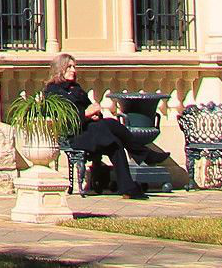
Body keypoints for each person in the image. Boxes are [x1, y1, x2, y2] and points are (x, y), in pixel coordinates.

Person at [45, 54, 161, 199]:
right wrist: (86, 114)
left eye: (74, 67)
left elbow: (90, 109)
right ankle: (144, 154)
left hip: (91, 130)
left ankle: (128, 188)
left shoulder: (76, 88)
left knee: (115, 143)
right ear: (60, 69)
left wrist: (95, 114)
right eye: (69, 67)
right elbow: (63, 119)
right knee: (111, 124)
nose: (73, 70)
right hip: (74, 135)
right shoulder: (53, 91)